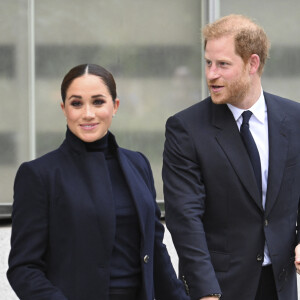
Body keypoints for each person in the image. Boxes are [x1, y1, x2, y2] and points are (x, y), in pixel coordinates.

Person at [7, 64, 189, 300]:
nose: (88, 113)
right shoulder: (39, 175)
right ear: (64, 109)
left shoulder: (138, 165)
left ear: (115, 106)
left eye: (98, 102)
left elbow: (155, 251)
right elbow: (24, 269)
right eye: (76, 103)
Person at [162, 14, 300, 300]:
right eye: (208, 63)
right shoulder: (185, 128)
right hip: (218, 288)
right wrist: (206, 292)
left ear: (253, 63)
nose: (211, 74)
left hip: (280, 285)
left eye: (223, 64)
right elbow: (185, 218)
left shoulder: (295, 119)